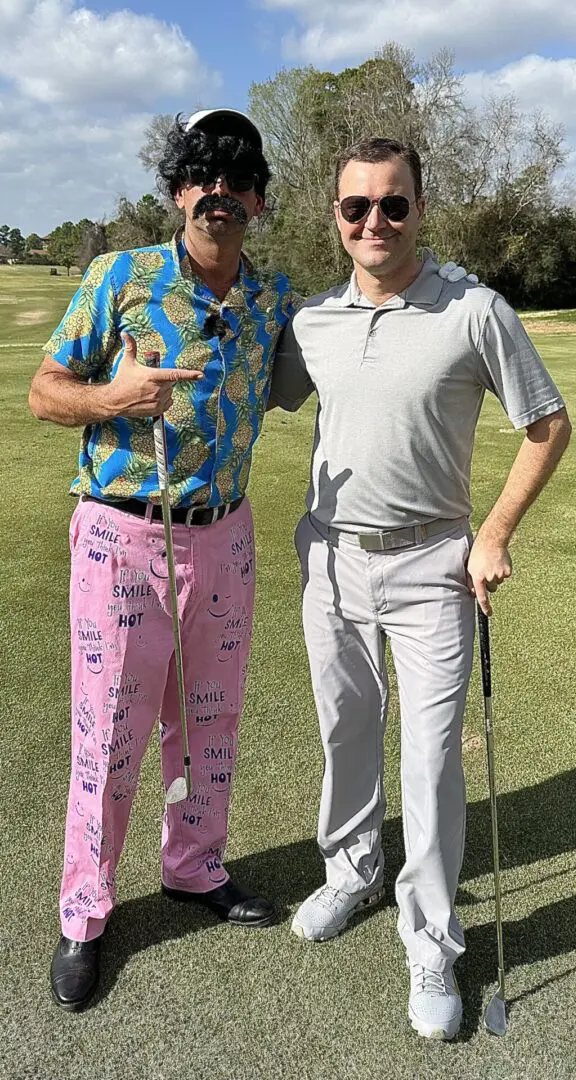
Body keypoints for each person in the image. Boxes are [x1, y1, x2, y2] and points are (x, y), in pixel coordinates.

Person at [269, 136, 571, 1040]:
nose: (373, 222)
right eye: (355, 206)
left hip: (434, 562)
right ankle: (353, 869)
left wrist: (495, 533)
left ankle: (433, 935)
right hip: (330, 557)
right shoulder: (313, 318)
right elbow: (262, 391)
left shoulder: (474, 311)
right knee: (345, 726)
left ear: (419, 210)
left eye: (392, 205)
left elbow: (548, 426)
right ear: (335, 215)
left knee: (433, 757)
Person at [28, 108, 297, 1011]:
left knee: (210, 722)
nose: (217, 190)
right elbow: (44, 389)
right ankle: (85, 910)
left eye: (235, 175)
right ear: (178, 188)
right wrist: (116, 393)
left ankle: (192, 865)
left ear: (257, 198)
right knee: (109, 733)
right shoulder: (121, 277)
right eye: (199, 172)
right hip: (122, 534)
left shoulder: (271, 300)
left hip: (226, 534)